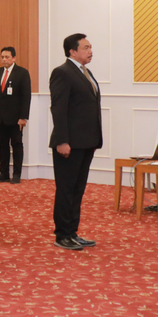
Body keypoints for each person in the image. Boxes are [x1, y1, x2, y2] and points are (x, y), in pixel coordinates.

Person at [49, 34, 103, 251]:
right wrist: (62, 140)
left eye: (91, 47)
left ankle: (72, 232)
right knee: (66, 190)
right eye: (86, 47)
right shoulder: (62, 72)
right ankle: (62, 235)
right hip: (69, 143)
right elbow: (58, 109)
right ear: (72, 51)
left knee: (77, 190)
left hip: (86, 142)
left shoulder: (85, 72)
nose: (91, 51)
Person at [0, 46, 32, 183]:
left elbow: (26, 96)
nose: (4, 59)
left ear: (14, 58)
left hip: (15, 118)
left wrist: (23, 117)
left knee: (17, 144)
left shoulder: (22, 73)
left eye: (7, 57)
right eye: (2, 57)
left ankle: (17, 174)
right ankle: (4, 174)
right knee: (3, 146)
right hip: (0, 118)